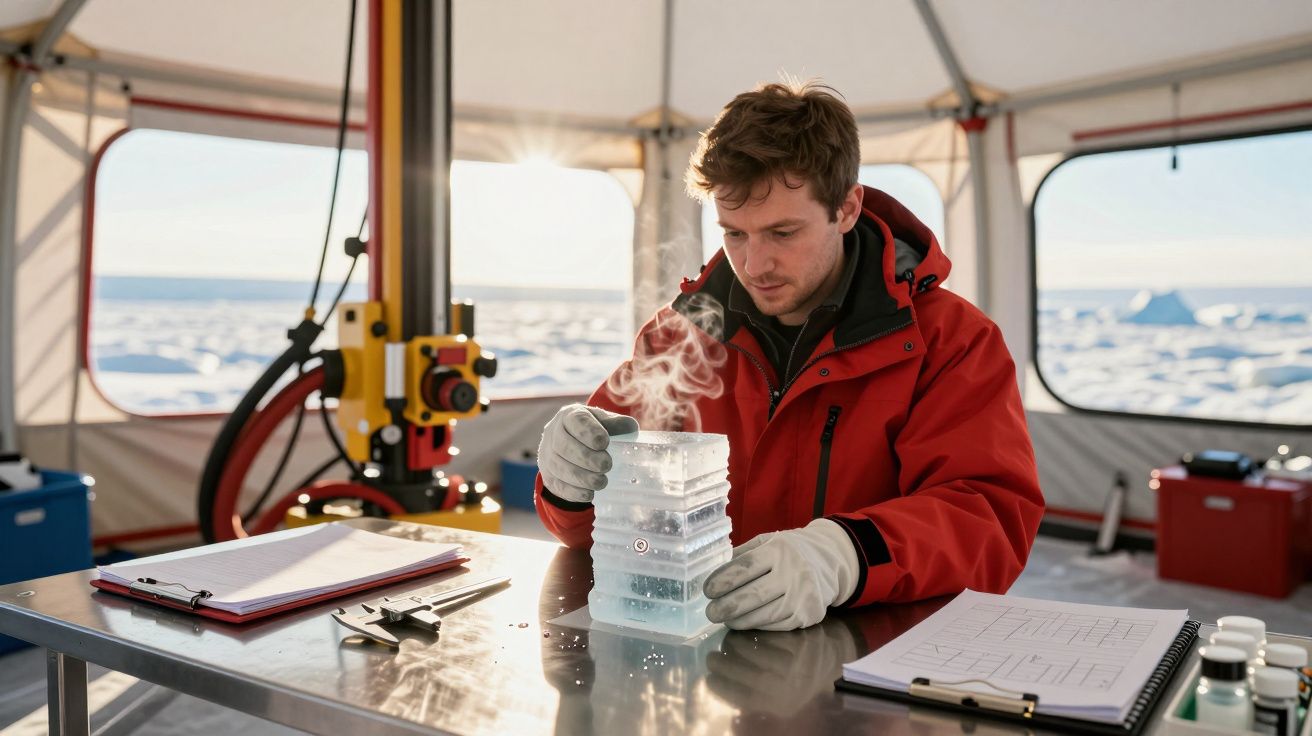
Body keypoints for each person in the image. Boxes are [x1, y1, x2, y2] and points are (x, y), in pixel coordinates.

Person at [534, 81, 1044, 631]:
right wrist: (570, 484)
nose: (754, 265)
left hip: (869, 664)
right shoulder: (678, 335)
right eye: (734, 233)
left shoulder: (951, 340)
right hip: (705, 656)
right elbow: (594, 529)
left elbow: (989, 520)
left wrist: (845, 556)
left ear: (846, 208)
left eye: (782, 232)